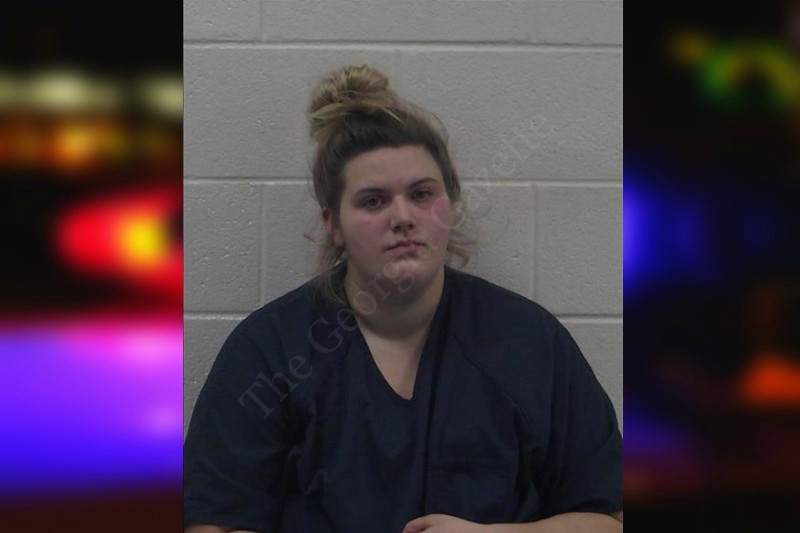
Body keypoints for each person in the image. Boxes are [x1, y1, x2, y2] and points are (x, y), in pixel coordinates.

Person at [184, 64, 623, 533]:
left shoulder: (529, 341)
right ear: (333, 223)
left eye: (422, 194)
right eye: (373, 201)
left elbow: (608, 516)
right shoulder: (271, 351)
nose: (403, 217)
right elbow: (214, 522)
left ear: (449, 204)